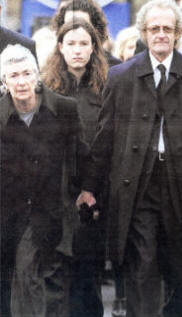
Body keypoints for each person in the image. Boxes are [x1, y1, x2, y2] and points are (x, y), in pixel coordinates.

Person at [77, 0, 182, 317]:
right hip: (138, 186)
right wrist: (89, 187)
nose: (160, 34)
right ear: (143, 33)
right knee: (142, 265)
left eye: (167, 28)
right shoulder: (122, 76)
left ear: (177, 33)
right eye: (154, 29)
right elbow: (104, 136)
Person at [0, 43, 88, 317]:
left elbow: (81, 157)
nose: (22, 81)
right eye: (14, 76)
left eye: (27, 73)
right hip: (8, 214)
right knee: (18, 283)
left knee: (33, 275)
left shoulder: (63, 108)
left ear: (38, 75)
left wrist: (84, 192)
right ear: (4, 81)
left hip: (51, 213)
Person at [42, 19, 108, 317]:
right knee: (57, 275)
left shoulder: (107, 88)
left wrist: (91, 188)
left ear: (94, 48)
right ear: (60, 47)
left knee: (88, 276)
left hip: (96, 194)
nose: (78, 50)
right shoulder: (46, 88)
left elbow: (108, 141)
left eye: (84, 44)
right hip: (57, 193)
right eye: (71, 44)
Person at [52, 0, 121, 67]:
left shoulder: (115, 69)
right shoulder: (51, 68)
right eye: (69, 24)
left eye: (83, 24)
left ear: (96, 28)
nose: (76, 29)